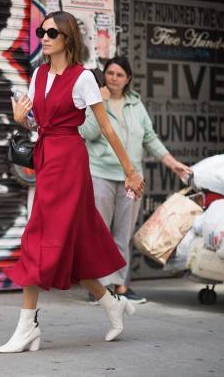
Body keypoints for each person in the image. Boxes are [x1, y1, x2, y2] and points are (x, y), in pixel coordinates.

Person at [0, 11, 145, 353]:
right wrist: (23, 121)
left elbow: (107, 129)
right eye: (41, 31)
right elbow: (40, 125)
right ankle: (112, 303)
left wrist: (130, 171)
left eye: (52, 32)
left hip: (71, 165)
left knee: (37, 238)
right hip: (47, 159)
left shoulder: (83, 79)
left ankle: (27, 326)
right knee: (72, 247)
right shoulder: (37, 75)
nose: (44, 37)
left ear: (68, 39)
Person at [79, 56, 192, 304]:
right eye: (110, 74)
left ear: (128, 78)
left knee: (123, 234)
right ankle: (98, 287)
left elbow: (149, 138)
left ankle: (119, 285)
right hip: (101, 174)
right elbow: (86, 133)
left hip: (132, 178)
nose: (114, 79)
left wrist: (172, 164)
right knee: (99, 233)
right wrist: (100, 103)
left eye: (120, 75)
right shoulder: (95, 102)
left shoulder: (135, 104)